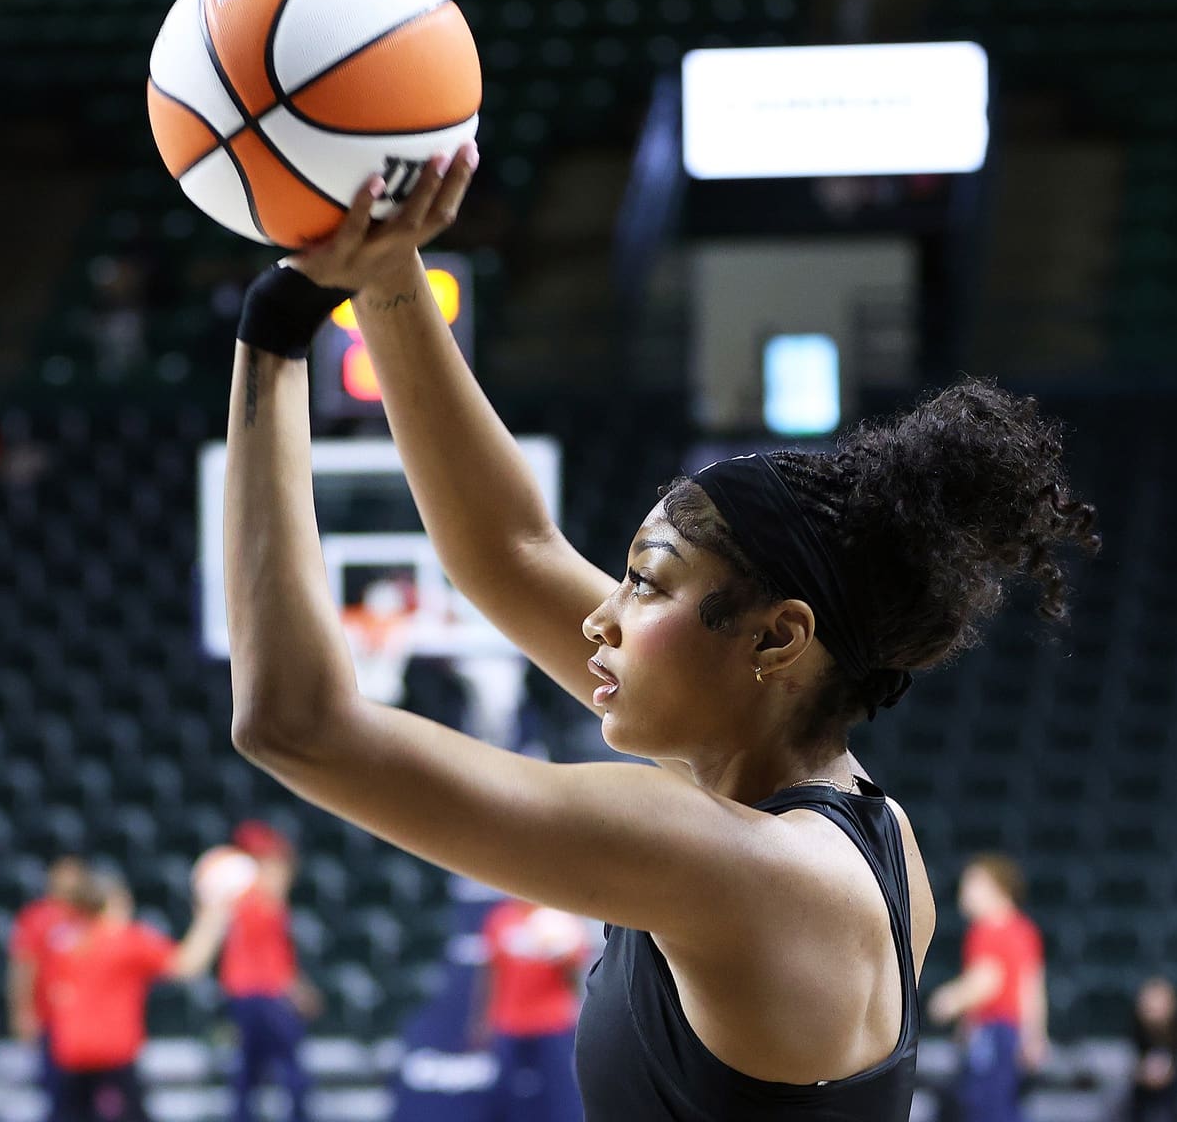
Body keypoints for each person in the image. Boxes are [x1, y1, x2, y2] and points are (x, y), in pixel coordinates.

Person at [216, 147, 1098, 1121]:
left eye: (646, 583)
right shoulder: (848, 825)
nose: (601, 613)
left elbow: (294, 725)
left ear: (776, 640)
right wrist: (389, 275)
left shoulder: (734, 866)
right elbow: (510, 551)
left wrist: (276, 334)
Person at [44, 870, 231, 1122]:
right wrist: (212, 919)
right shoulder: (127, 940)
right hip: (111, 1053)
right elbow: (187, 965)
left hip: (69, 1052)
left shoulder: (66, 941)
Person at [925, 855, 1049, 1122]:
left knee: (984, 1108)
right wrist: (1035, 1034)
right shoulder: (1025, 929)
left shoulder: (987, 929)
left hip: (994, 1031)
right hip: (1010, 1033)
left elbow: (988, 981)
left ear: (997, 887)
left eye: (972, 885)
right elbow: (1032, 987)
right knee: (1001, 1105)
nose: (964, 894)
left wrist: (949, 1000)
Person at [218, 822, 318, 1122]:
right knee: (288, 1069)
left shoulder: (246, 902)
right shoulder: (260, 904)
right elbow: (275, 965)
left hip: (245, 996)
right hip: (263, 996)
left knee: (249, 1071)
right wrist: (297, 991)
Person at [476, 900, 586, 1122]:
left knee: (562, 1092)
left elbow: (575, 978)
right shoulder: (500, 918)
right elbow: (491, 974)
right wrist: (482, 1019)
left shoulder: (561, 921)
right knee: (501, 1092)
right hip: (509, 1019)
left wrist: (561, 953)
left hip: (553, 1021)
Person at [8, 854, 89, 1114]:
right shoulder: (36, 917)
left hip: (88, 1022)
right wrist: (22, 1010)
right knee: (58, 1096)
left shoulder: (88, 917)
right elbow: (23, 966)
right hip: (52, 1021)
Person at [1128, 976, 1177, 1122]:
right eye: (1150, 1006)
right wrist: (1141, 1073)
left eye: (1160, 1005)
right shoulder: (1133, 1031)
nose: (1155, 1011)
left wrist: (1170, 1072)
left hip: (1175, 1097)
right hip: (1138, 1099)